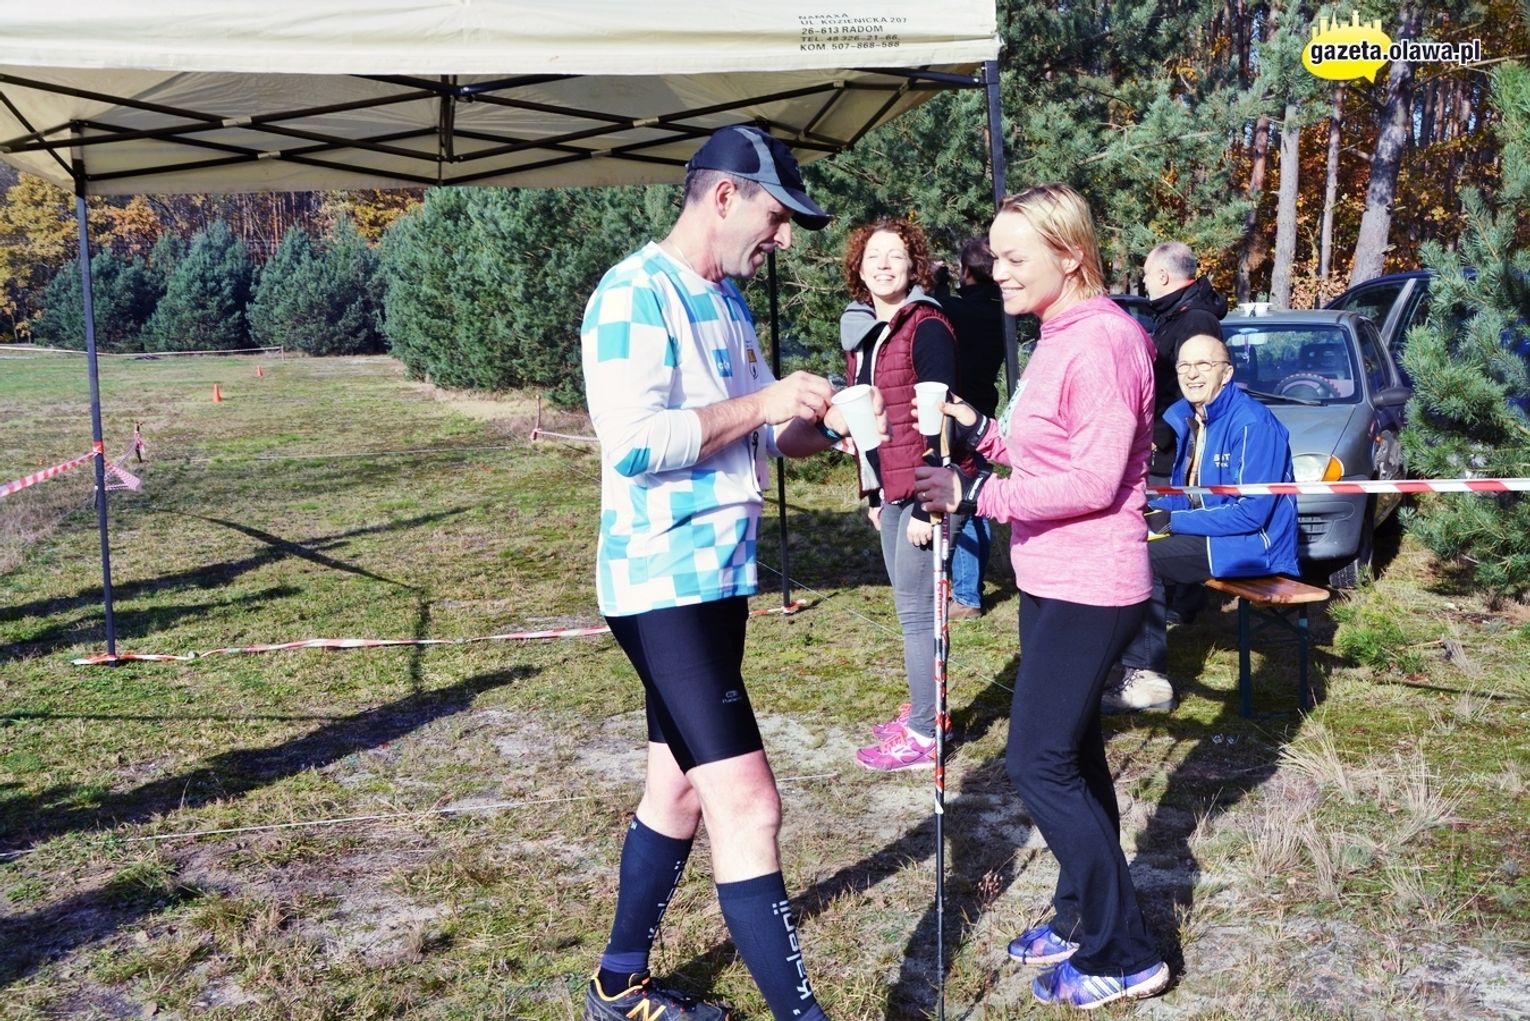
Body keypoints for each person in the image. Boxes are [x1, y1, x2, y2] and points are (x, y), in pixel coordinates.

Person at [579, 124, 881, 1021]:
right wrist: (763, 401)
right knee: (749, 805)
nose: (782, 238)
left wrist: (823, 419)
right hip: (661, 584)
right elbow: (636, 444)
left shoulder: (727, 301)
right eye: (775, 217)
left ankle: (617, 985)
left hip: (715, 583)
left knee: (676, 789)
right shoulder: (634, 294)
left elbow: (764, 435)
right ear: (723, 196)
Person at [911, 183, 1171, 1009]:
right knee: (1074, 754)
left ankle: (1125, 950)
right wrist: (979, 430)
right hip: (1051, 575)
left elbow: (1094, 480)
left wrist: (976, 493)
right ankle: (1079, 913)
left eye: (1015, 257)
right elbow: (1045, 449)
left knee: (1036, 760)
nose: (998, 271)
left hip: (1094, 582)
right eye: (995, 256)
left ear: (1070, 253)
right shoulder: (1059, 334)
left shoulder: (1103, 341)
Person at [1102, 333, 1299, 713]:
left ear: (1227, 373)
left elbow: (1252, 514)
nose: (1192, 374)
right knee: (1118, 541)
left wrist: (1171, 521)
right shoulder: (1190, 418)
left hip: (1255, 545)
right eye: (1184, 366)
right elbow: (1187, 495)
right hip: (1217, 534)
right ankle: (1114, 658)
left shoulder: (1253, 424)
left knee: (1141, 559)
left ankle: (1148, 682)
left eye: (1204, 365)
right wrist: (1141, 507)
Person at [839, 218, 972, 771]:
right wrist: (873, 493)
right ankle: (925, 707)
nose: (883, 265)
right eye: (874, 255)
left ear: (914, 267)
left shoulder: (927, 325)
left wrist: (925, 502)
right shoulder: (865, 332)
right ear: (859, 266)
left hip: (927, 490)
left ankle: (924, 733)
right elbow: (868, 423)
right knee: (909, 610)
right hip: (891, 488)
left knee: (918, 614)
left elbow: (940, 417)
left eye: (896, 255)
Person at [936, 238, 1005, 619]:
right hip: (985, 410)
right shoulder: (1001, 310)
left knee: (962, 500)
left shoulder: (957, 309)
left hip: (959, 413)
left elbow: (938, 310)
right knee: (978, 496)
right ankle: (968, 590)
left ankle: (965, 594)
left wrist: (937, 283)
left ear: (966, 272)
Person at [1141, 242, 1229, 484]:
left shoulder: (1196, 320)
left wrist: (1158, 436)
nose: (1144, 282)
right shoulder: (1173, 315)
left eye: (1146, 274)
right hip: (1165, 449)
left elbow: (1198, 388)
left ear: (1163, 276)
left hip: (1178, 455)